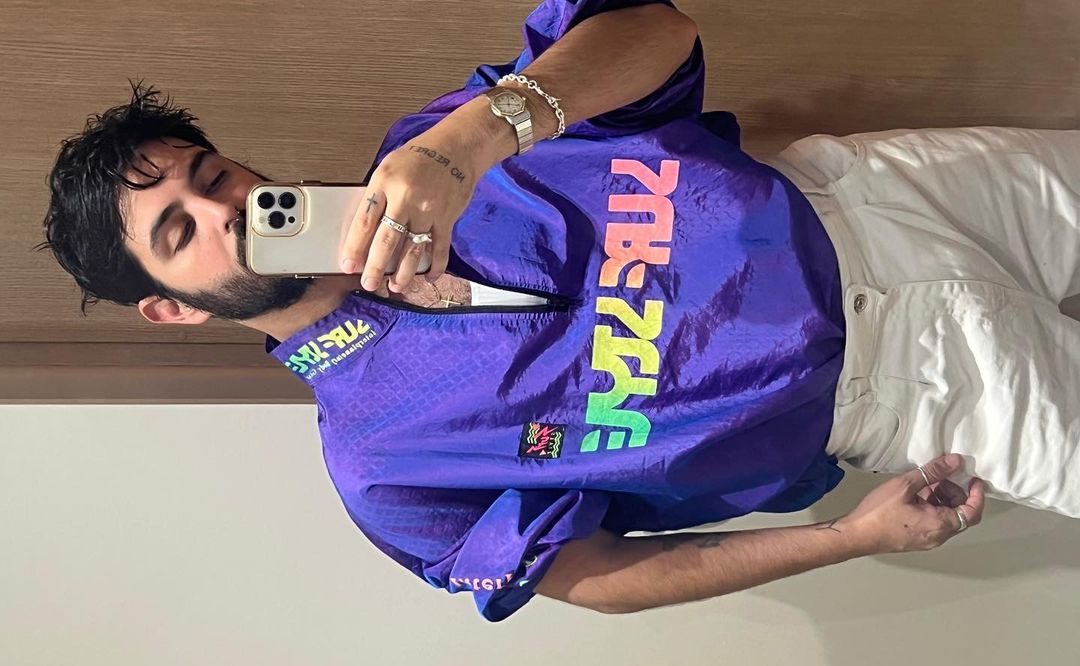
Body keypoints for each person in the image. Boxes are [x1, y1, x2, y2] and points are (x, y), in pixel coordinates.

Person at [40, 0, 1080, 622]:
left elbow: (656, 32)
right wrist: (847, 539)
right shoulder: (384, 466)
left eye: (211, 174)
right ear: (169, 310)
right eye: (178, 230)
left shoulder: (430, 144)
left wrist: (474, 138)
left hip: (879, 195)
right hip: (918, 394)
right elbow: (596, 575)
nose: (223, 209)